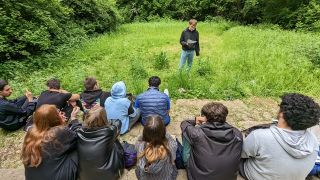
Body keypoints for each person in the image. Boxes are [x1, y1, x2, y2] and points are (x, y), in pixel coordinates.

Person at [240, 93, 320, 180]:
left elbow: (241, 154)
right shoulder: (313, 141)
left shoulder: (260, 136)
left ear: (282, 114)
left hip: (254, 176)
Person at [181, 102, 243, 180]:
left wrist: (195, 120)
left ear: (205, 118)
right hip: (228, 177)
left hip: (198, 177)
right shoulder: (237, 133)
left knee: (187, 135)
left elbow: (184, 124)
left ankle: (186, 163)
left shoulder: (197, 133)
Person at [21, 104, 80, 180]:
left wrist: (62, 125)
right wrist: (74, 119)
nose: (61, 113)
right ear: (54, 118)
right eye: (58, 112)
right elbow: (79, 135)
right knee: (79, 147)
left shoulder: (31, 132)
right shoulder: (58, 132)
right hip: (57, 177)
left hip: (32, 177)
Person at [77, 106, 124, 180]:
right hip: (109, 175)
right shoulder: (109, 132)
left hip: (84, 176)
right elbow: (118, 122)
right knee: (115, 141)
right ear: (104, 118)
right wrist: (108, 121)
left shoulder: (78, 131)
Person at [135, 115, 177, 180]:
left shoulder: (139, 144)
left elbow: (141, 138)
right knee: (173, 164)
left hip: (143, 177)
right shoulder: (171, 145)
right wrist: (160, 133)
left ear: (144, 132)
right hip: (166, 177)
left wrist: (150, 133)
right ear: (164, 131)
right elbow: (173, 158)